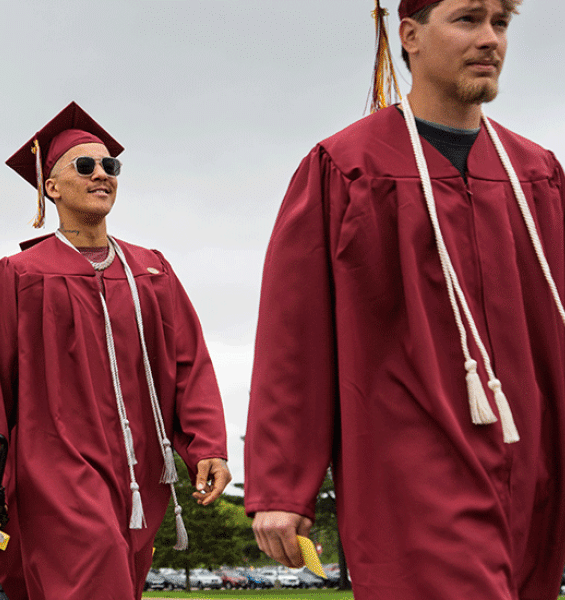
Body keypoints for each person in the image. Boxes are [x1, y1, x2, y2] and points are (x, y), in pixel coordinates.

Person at [244, 1, 565, 598]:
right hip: (409, 467)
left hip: (534, 469)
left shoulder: (535, 175)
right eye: (468, 19)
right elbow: (296, 335)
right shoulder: (347, 167)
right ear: (409, 36)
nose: (490, 39)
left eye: (501, 22)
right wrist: (284, 486)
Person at [0, 102, 231, 600]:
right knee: (93, 570)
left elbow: (190, 362)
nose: (102, 174)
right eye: (85, 165)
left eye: (110, 166)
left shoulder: (151, 270)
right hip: (54, 464)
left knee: (121, 580)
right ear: (51, 188)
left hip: (141, 468)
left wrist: (205, 444)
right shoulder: (21, 275)